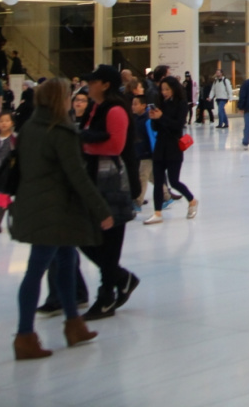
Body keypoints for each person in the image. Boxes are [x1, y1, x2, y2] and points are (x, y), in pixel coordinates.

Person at [9, 77, 114, 361]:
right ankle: (24, 335)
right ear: (60, 100)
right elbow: (77, 176)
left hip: (35, 206)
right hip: (54, 211)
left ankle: (73, 323)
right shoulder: (61, 132)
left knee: (67, 261)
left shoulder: (30, 127)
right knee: (37, 269)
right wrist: (101, 209)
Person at [78, 66, 139, 320]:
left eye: (92, 82)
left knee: (109, 238)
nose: (88, 86)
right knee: (86, 235)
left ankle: (106, 295)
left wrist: (84, 140)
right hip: (94, 177)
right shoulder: (95, 108)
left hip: (112, 180)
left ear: (104, 85)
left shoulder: (115, 109)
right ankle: (121, 279)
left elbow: (115, 145)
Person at [144, 76, 197, 223]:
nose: (164, 92)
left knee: (174, 181)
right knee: (159, 181)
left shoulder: (181, 104)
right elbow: (156, 127)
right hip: (160, 147)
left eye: (167, 89)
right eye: (162, 89)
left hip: (174, 147)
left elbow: (177, 126)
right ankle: (157, 212)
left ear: (174, 88)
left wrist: (161, 118)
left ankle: (192, 200)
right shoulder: (161, 103)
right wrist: (154, 118)